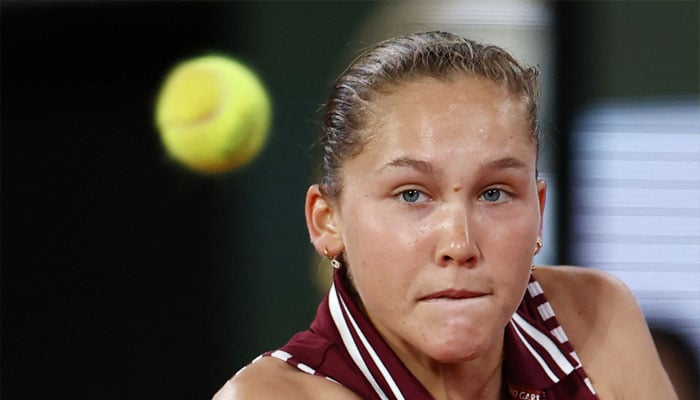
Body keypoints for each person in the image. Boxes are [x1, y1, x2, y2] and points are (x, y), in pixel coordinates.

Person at [213, 31, 677, 400]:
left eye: (494, 193)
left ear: (538, 209)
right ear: (326, 221)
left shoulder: (597, 314)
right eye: (412, 195)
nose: (460, 244)